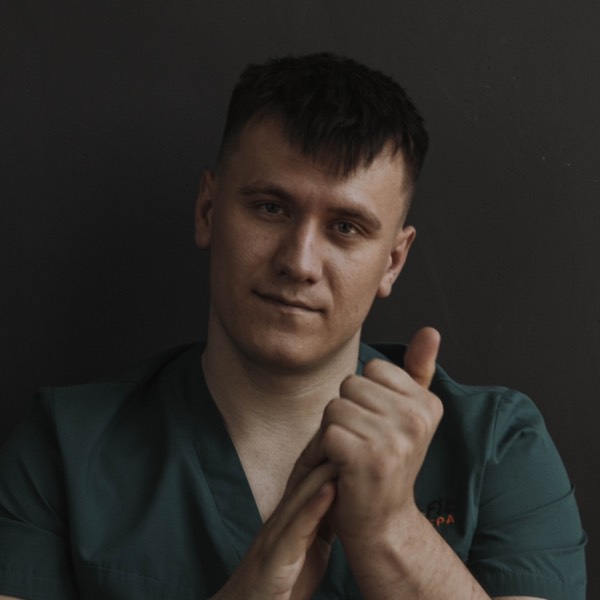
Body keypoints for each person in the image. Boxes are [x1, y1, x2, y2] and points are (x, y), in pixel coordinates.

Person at [0, 53, 586, 600]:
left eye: (346, 228)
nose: (299, 262)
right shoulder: (63, 447)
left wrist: (390, 531)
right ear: (208, 211)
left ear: (393, 261)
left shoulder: (498, 445)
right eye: (271, 208)